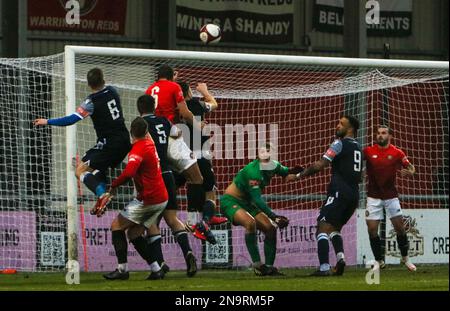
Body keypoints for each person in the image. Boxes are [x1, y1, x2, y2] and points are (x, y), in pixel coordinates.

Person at [33, 68, 131, 215]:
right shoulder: (113, 91)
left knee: (79, 171)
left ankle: (102, 195)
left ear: (89, 84)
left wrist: (47, 121)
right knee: (97, 171)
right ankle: (102, 198)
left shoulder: (90, 102)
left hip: (109, 144)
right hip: (124, 140)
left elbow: (71, 119)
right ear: (103, 80)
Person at [145, 64, 216, 244]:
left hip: (155, 139)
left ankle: (152, 222)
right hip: (173, 137)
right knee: (197, 179)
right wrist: (197, 124)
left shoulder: (150, 89)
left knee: (166, 185)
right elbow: (184, 111)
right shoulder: (178, 91)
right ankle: (194, 224)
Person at [137, 94, 198, 277]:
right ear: (154, 107)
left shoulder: (140, 125)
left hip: (152, 177)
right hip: (168, 173)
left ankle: (160, 264)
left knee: (151, 221)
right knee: (172, 219)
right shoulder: (163, 120)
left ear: (139, 109)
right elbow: (177, 133)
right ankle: (187, 252)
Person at [102, 117, 168, 281]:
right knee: (134, 233)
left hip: (149, 198)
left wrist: (114, 185)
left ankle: (122, 270)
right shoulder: (150, 143)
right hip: (161, 197)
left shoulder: (139, 149)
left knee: (116, 226)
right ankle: (156, 269)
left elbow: (129, 172)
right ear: (147, 132)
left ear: (132, 132)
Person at [220, 143, 300, 276]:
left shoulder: (274, 165)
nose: (265, 155)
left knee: (271, 229)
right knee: (250, 223)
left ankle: (268, 268)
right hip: (230, 201)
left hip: (247, 203)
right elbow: (257, 200)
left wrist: (294, 172)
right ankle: (257, 265)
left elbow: (285, 172)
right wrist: (274, 216)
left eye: (268, 152)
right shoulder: (253, 172)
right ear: (258, 155)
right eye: (262, 152)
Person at [296, 116, 362, 276]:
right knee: (334, 229)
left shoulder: (339, 144)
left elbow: (320, 164)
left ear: (350, 128)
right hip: (354, 195)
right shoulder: (358, 147)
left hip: (339, 192)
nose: (337, 125)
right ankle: (340, 259)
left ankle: (324, 268)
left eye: (341, 123)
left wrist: (299, 175)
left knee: (322, 228)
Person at [176, 81, 228, 232]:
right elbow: (214, 103)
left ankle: (191, 221)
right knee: (209, 189)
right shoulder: (195, 104)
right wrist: (205, 92)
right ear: (189, 93)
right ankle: (207, 218)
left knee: (188, 185)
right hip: (199, 153)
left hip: (181, 155)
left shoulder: (174, 109)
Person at [363, 126, 416, 271]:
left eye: (383, 133)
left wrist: (410, 172)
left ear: (390, 136)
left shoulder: (397, 152)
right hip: (373, 196)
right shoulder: (368, 151)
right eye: (378, 133)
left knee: (399, 228)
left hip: (391, 196)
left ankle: (405, 258)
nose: (380, 135)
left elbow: (411, 167)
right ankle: (379, 261)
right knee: (372, 229)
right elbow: (356, 163)